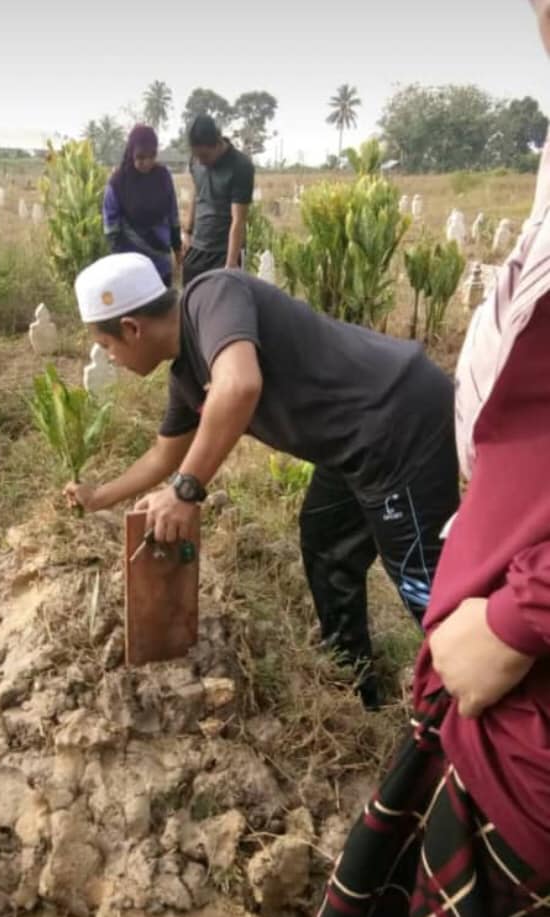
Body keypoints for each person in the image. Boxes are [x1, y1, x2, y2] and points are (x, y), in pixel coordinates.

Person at [318, 4, 550, 912]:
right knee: (326, 542)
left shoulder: (216, 326)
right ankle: (355, 650)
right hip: (487, 697)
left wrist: (516, 617)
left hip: (520, 720)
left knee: (396, 548)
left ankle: (388, 631)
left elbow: (229, 404)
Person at [66, 254, 460, 709]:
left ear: (132, 328)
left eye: (106, 344)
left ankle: (494, 697)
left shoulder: (212, 295)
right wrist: (99, 497)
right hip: (351, 444)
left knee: (426, 583)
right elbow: (162, 455)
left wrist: (185, 491)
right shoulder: (187, 376)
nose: (109, 358)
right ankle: (355, 683)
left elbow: (238, 386)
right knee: (326, 542)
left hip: (398, 418)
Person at [103, 125, 182, 286]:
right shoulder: (118, 183)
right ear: (131, 152)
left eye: (151, 156)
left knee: (164, 309)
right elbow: (112, 230)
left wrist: (178, 250)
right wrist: (120, 266)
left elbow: (173, 215)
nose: (147, 162)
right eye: (140, 157)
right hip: (131, 269)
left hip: (162, 264)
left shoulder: (163, 176)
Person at [182, 115, 254, 286]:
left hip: (224, 251)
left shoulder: (240, 166)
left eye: (204, 156)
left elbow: (239, 219)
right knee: (190, 303)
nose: (200, 161)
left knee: (222, 308)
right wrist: (187, 231)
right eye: (196, 155)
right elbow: (197, 193)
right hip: (197, 248)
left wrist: (230, 264)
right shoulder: (195, 161)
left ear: (217, 143)